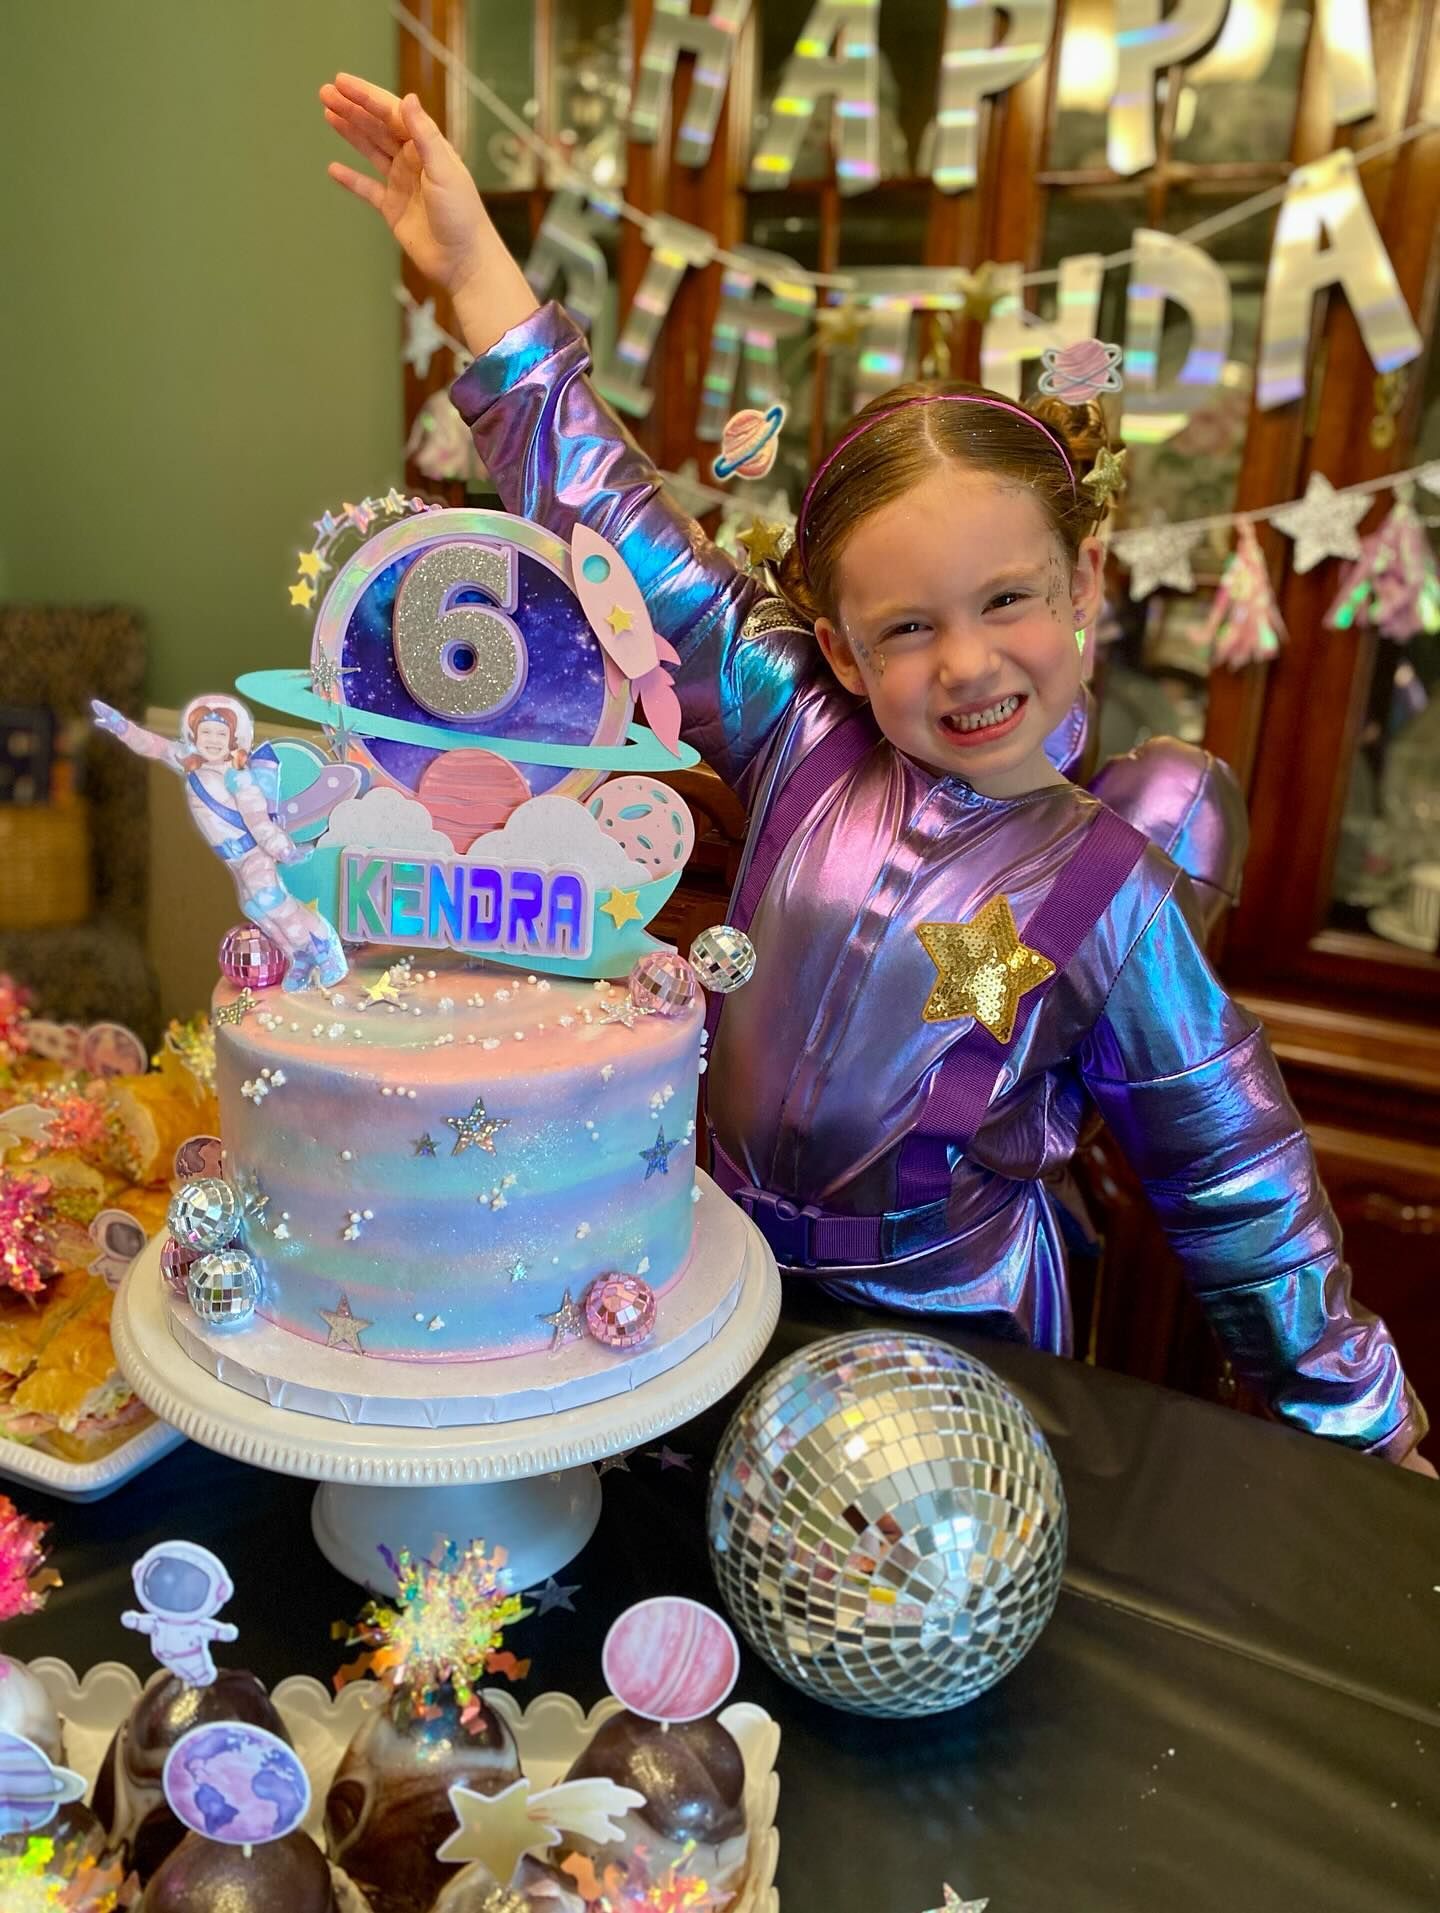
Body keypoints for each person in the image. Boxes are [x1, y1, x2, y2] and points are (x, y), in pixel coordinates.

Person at [319, 77, 1433, 1474]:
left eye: (1008, 601)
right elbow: (617, 526)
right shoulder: (796, 734)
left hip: (952, 1352)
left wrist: (1362, 1415)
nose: (967, 664)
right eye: (909, 627)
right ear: (839, 648)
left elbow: (1235, 1174)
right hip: (699, 1286)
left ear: (1087, 582)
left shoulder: (1119, 896)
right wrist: (480, 274)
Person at [93, 694, 347, 993]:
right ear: (194, 735)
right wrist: (121, 727)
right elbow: (153, 745)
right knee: (255, 907)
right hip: (233, 859)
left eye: (220, 733)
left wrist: (282, 849)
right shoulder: (189, 762)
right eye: (206, 732)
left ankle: (324, 945)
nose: (212, 740)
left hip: (254, 853)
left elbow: (258, 821)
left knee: (273, 902)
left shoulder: (239, 777)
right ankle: (300, 954)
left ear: (233, 738)